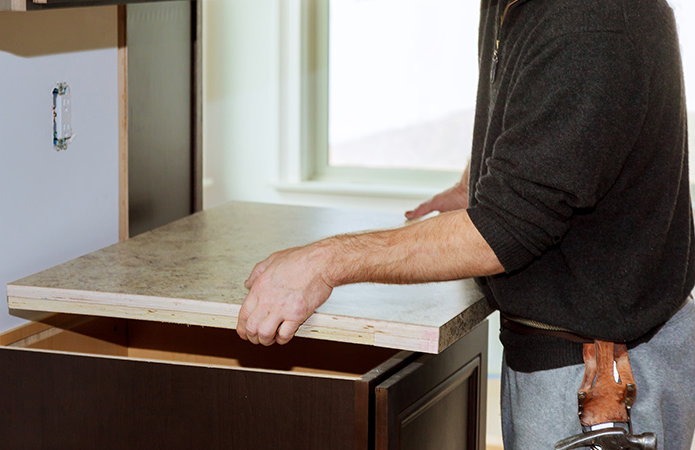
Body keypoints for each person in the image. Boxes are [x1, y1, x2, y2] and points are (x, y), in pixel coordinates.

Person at [237, 0, 695, 447]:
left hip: (605, 378)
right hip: (571, 354)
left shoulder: (592, 26)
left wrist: (324, 261)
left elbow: (502, 232)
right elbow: (551, 111)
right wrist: (481, 178)